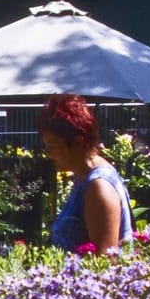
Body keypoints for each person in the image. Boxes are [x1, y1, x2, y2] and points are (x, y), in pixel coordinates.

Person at [41, 93, 134, 253]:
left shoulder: (99, 187)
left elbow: (105, 263)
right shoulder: (83, 179)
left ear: (78, 141)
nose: (48, 153)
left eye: (52, 145)